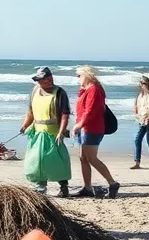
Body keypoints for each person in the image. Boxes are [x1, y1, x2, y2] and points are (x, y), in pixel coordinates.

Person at [19, 67, 72, 197]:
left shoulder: (59, 93)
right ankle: (41, 187)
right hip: (37, 132)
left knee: (56, 160)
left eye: (41, 80)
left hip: (53, 133)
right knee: (36, 160)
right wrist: (25, 125)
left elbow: (65, 114)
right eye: (38, 80)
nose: (39, 82)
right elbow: (31, 111)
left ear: (49, 79)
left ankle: (63, 186)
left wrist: (61, 132)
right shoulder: (35, 91)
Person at [72, 66, 120, 198]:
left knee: (91, 158)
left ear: (86, 75)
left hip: (91, 128)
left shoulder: (94, 89)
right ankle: (87, 187)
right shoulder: (87, 90)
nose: (78, 79)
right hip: (84, 128)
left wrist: (80, 124)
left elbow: (91, 111)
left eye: (79, 76)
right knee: (83, 158)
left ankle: (112, 183)